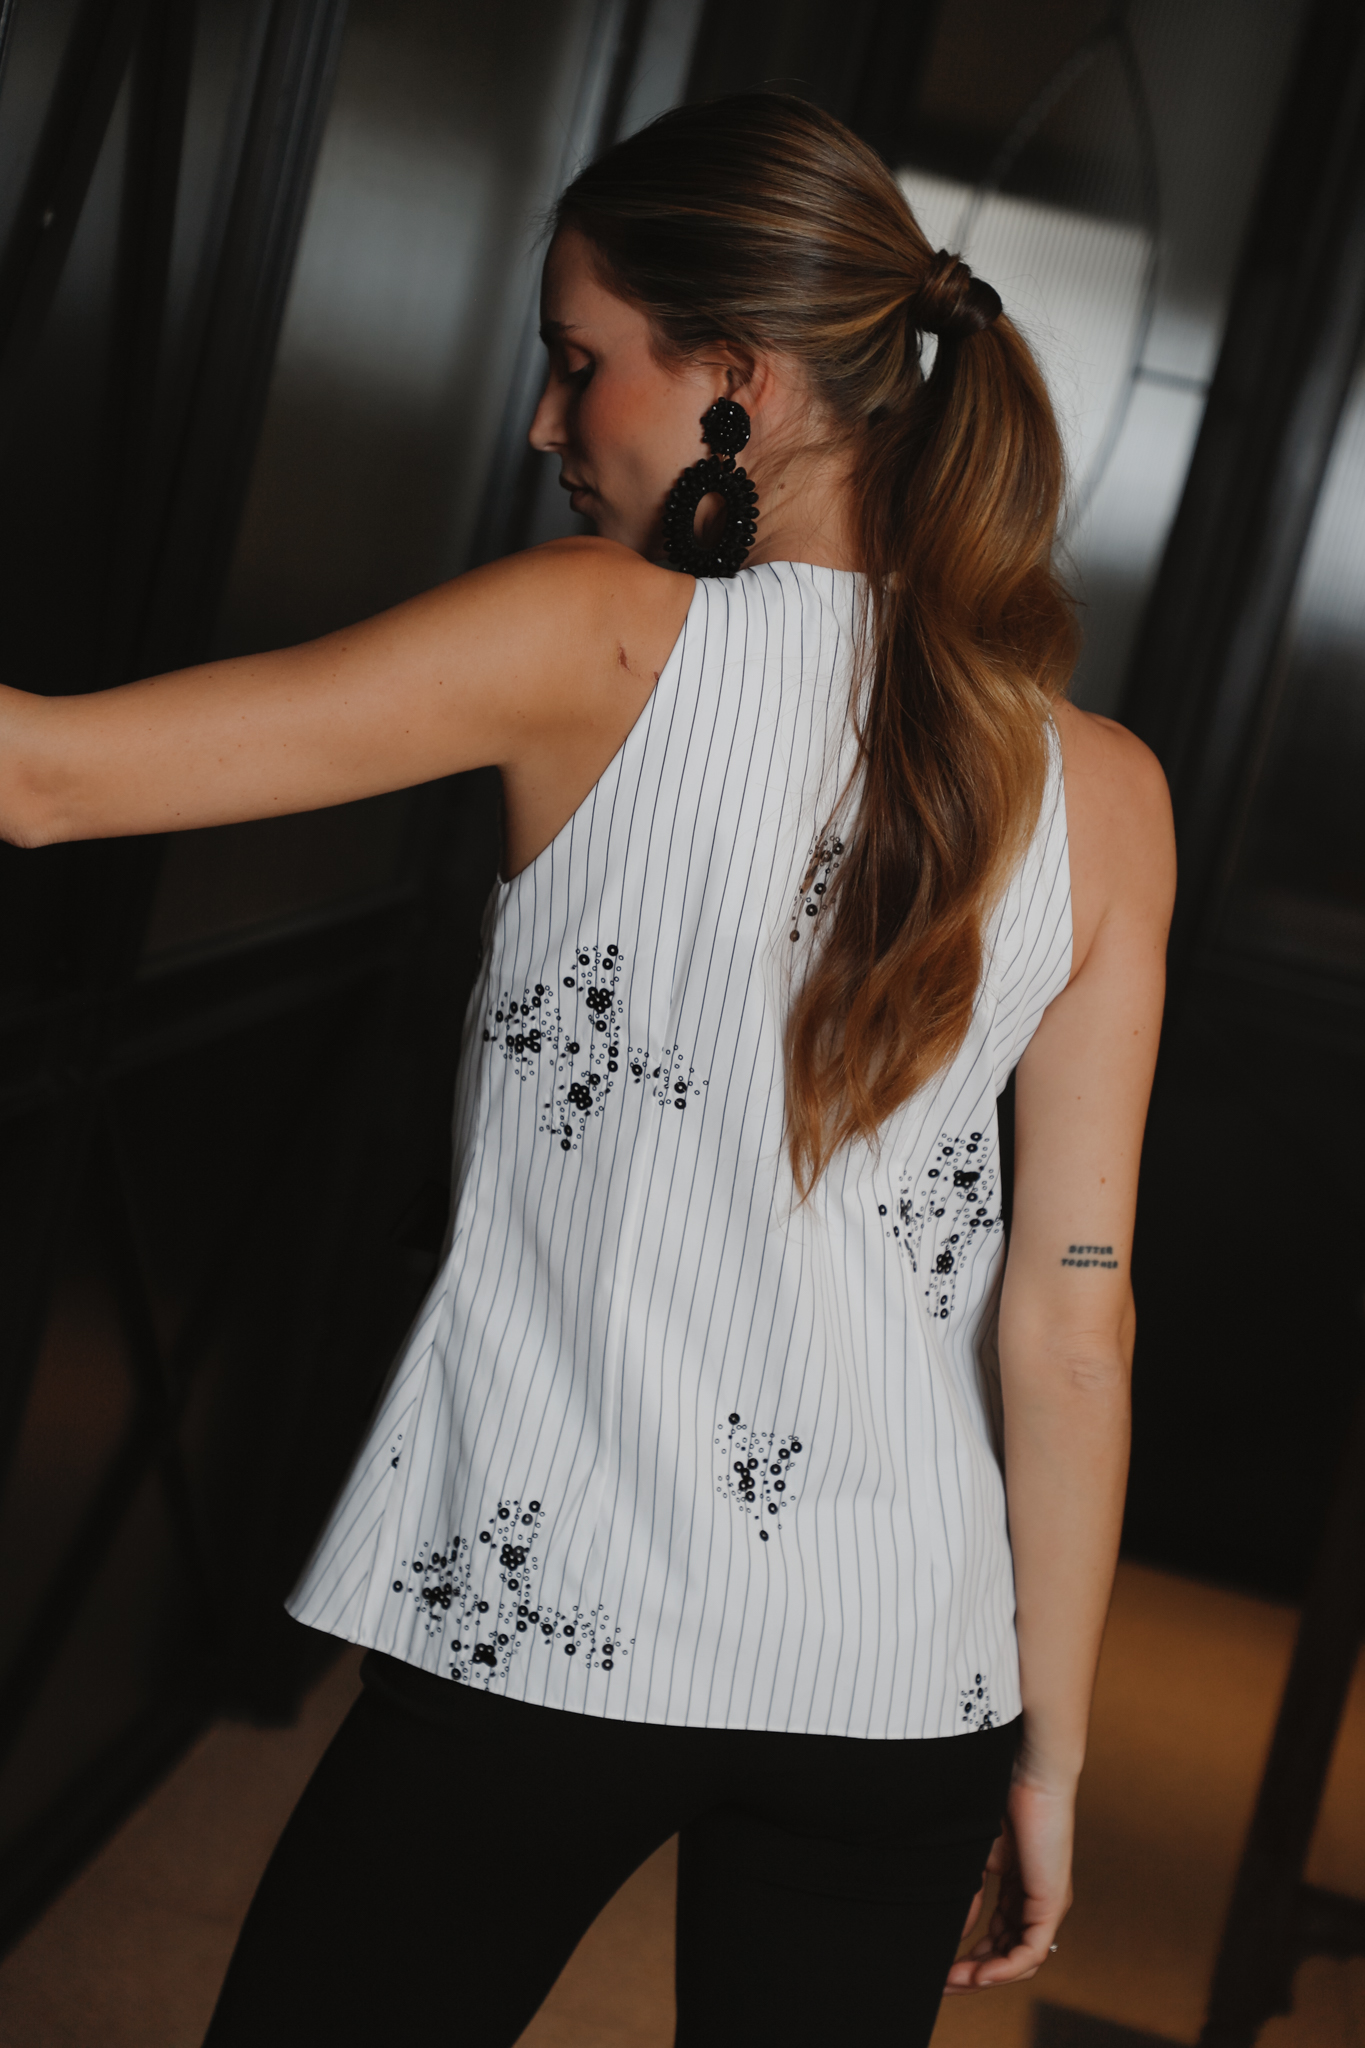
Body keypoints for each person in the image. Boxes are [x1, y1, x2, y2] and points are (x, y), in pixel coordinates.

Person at [0, 93, 1173, 2048]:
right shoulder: (1109, 790)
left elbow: (37, 779)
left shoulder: (592, 639)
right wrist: (1042, 1748)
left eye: (576, 361)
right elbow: (1074, 1326)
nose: (548, 424)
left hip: (553, 1618)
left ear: (735, 379)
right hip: (906, 1671)